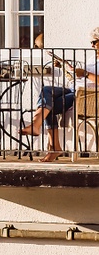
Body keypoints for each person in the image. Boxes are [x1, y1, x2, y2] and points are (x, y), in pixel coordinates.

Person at [20, 29, 99, 160]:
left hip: (86, 95)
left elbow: (90, 77)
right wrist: (67, 68)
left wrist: (85, 73)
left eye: (94, 42)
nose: (91, 45)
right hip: (75, 87)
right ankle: (38, 127)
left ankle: (52, 145)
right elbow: (82, 76)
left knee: (47, 107)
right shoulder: (92, 57)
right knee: (47, 91)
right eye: (91, 42)